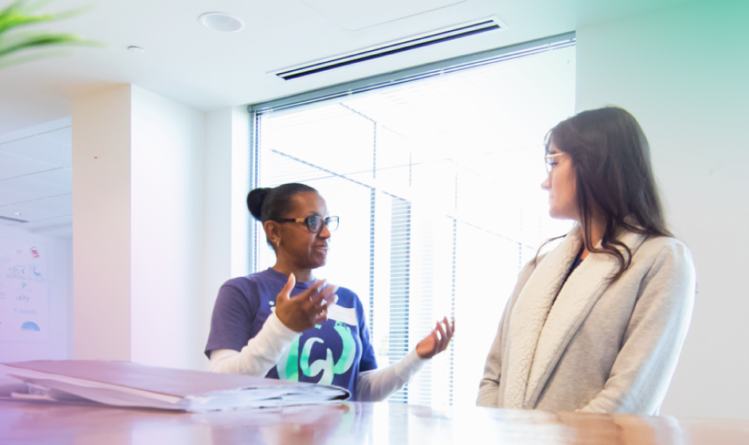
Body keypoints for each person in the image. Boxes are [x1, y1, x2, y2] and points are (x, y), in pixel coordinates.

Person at [477, 106, 696, 415]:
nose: (545, 182)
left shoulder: (661, 260)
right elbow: (493, 378)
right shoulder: (538, 266)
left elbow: (629, 401)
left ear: (594, 164)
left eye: (554, 162)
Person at [205, 183, 453, 401]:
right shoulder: (242, 291)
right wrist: (282, 327)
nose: (326, 233)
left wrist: (416, 359)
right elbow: (222, 383)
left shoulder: (347, 300)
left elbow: (361, 391)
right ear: (274, 231)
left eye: (327, 222)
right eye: (313, 222)